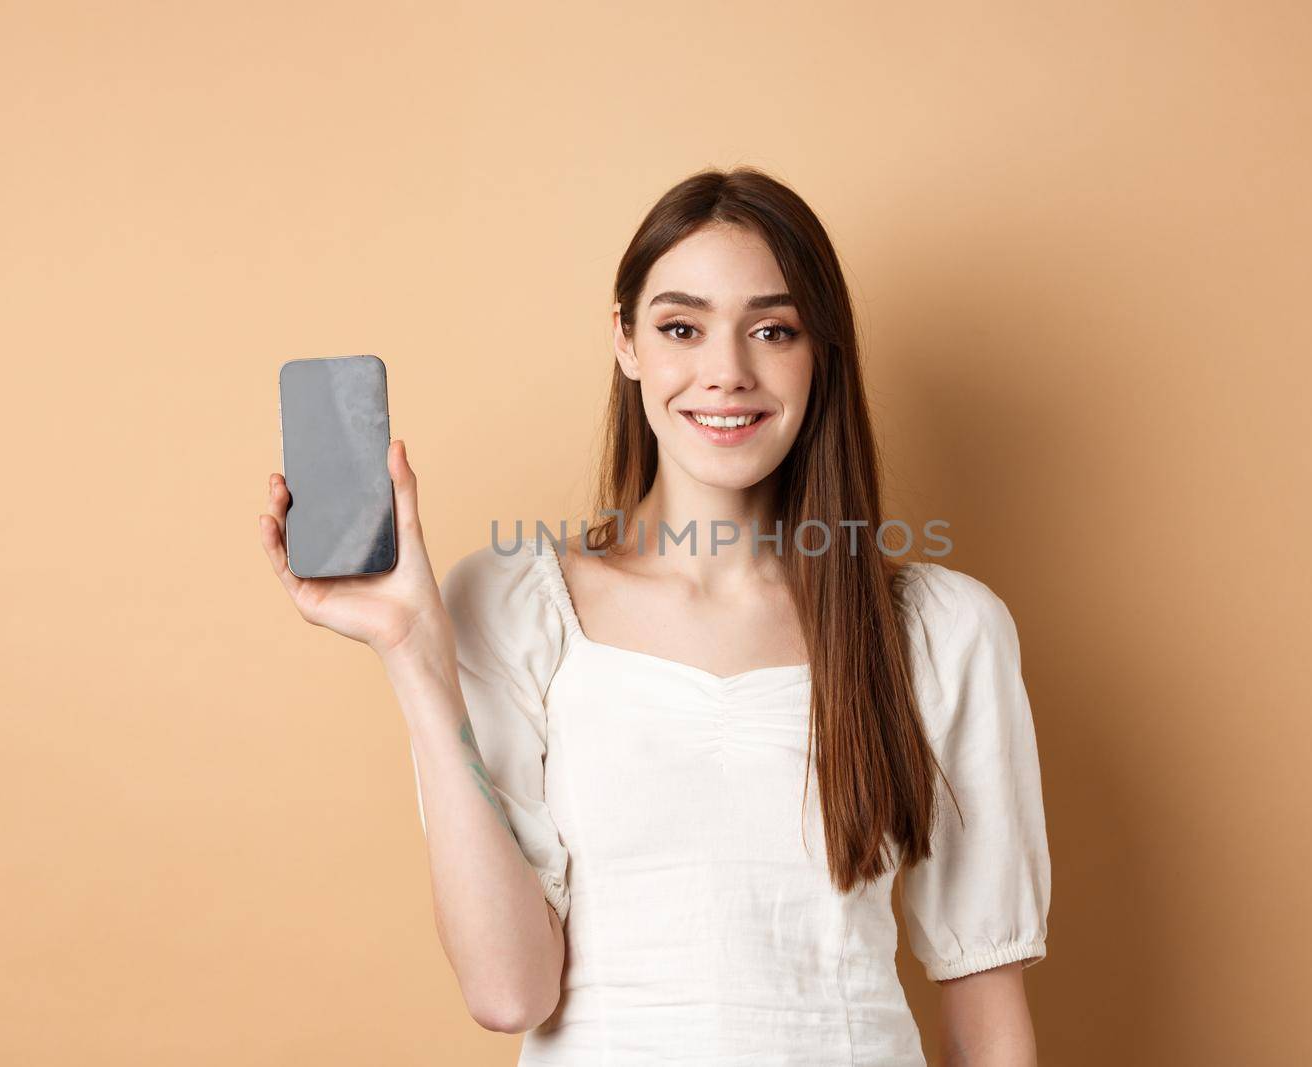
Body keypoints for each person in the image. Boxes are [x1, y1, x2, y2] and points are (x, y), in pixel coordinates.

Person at [257, 166, 1051, 1065]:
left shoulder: (941, 631)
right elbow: (508, 989)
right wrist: (412, 652)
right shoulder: (509, 607)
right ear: (626, 341)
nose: (728, 373)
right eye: (682, 327)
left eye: (773, 330)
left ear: (819, 352)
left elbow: (988, 1017)